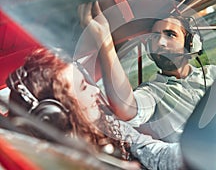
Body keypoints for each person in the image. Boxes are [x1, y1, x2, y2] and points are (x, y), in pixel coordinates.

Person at [6, 48, 184, 170]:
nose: (95, 90)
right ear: (54, 116)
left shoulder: (106, 125)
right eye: (83, 87)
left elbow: (152, 151)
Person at [78, 1, 216, 142]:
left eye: (170, 34)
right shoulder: (153, 92)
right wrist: (104, 38)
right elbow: (127, 108)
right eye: (155, 37)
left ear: (190, 44)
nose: (160, 42)